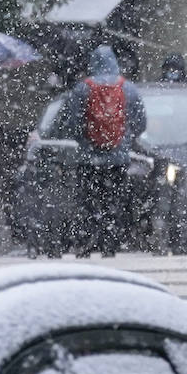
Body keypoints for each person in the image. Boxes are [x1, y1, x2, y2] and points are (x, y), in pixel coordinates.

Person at [58, 45, 146, 257]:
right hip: (118, 159)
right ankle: (110, 243)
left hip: (88, 159)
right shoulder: (129, 89)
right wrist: (124, 140)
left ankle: (88, 240)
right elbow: (140, 124)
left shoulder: (83, 88)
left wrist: (85, 140)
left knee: (88, 201)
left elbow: (70, 123)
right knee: (113, 201)